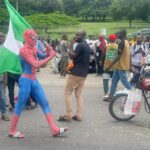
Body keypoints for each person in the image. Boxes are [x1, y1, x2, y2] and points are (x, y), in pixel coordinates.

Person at [8, 29, 68, 139]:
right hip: (25, 80)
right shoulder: (24, 50)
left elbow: (42, 56)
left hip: (33, 79)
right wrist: (50, 56)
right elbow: (35, 64)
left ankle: (54, 129)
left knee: (44, 102)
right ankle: (12, 130)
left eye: (35, 37)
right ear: (27, 38)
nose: (35, 39)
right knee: (20, 104)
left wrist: (49, 50)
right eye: (33, 37)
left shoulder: (33, 48)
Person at [57, 30, 91, 121]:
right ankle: (79, 115)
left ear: (82, 36)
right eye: (75, 34)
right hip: (83, 74)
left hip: (76, 73)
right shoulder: (87, 45)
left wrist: (71, 44)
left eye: (77, 35)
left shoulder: (80, 45)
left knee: (67, 93)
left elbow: (72, 56)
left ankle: (68, 115)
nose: (75, 36)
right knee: (79, 94)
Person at [105, 30, 132, 102]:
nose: (117, 34)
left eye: (119, 33)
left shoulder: (121, 43)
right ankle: (110, 97)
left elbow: (118, 57)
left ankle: (134, 94)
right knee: (114, 81)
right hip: (121, 65)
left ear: (122, 34)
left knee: (124, 82)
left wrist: (110, 65)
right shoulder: (126, 42)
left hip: (121, 66)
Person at [102, 34, 118, 99]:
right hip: (115, 66)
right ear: (115, 39)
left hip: (107, 66)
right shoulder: (118, 46)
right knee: (114, 81)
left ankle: (106, 94)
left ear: (109, 39)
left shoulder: (106, 46)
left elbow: (103, 55)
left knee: (105, 80)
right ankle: (113, 93)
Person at [0, 32, 10, 121]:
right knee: (2, 97)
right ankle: (3, 113)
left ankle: (3, 113)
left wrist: (6, 78)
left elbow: (6, 65)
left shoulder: (4, 49)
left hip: (2, 77)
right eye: (0, 36)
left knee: (2, 97)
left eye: (3, 37)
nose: (2, 38)